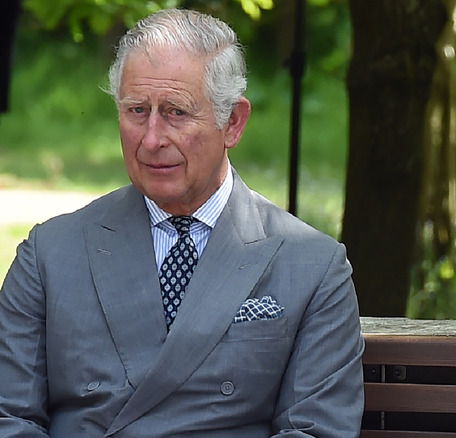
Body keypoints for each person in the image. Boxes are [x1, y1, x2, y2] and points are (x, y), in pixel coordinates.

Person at [0, 8, 364, 437]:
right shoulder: (50, 255)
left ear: (233, 122)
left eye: (175, 112)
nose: (152, 139)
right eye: (137, 110)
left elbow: (316, 429)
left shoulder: (313, 267)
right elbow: (9, 417)